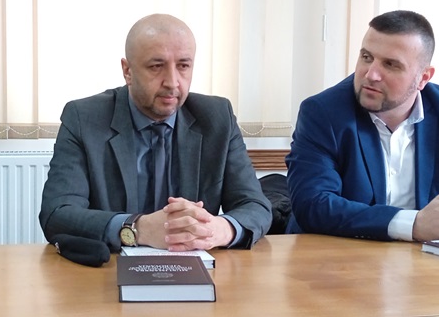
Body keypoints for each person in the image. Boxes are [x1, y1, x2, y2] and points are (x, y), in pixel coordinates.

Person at [39, 13, 272, 251]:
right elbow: (56, 214)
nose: (172, 82)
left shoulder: (217, 117)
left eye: (183, 66)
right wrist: (137, 228)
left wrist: (219, 229)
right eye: (156, 66)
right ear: (127, 71)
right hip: (110, 267)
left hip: (195, 265)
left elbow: (256, 206)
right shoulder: (84, 118)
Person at [285, 10, 439, 241]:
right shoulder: (323, 112)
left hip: (428, 256)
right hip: (342, 252)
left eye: (390, 64)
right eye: (366, 57)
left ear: (424, 78)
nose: (371, 74)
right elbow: (313, 204)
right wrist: (413, 225)